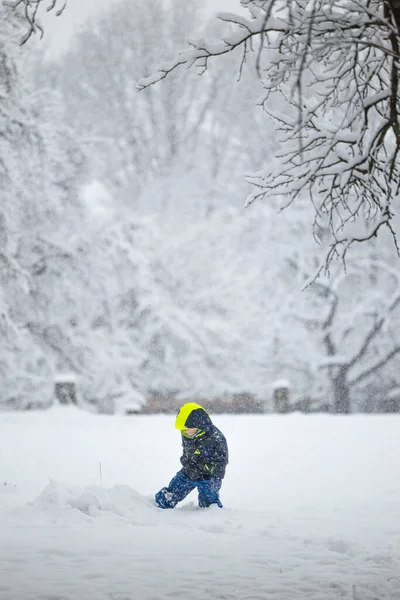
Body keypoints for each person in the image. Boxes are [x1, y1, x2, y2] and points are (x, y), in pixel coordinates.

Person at [155, 403, 229, 509]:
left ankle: (211, 515)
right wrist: (185, 461)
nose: (184, 432)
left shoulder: (216, 438)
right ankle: (157, 507)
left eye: (186, 429)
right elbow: (186, 449)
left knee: (209, 502)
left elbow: (221, 460)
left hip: (208, 476)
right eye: (182, 430)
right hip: (189, 471)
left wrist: (217, 477)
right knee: (172, 492)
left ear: (199, 425)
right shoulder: (187, 434)